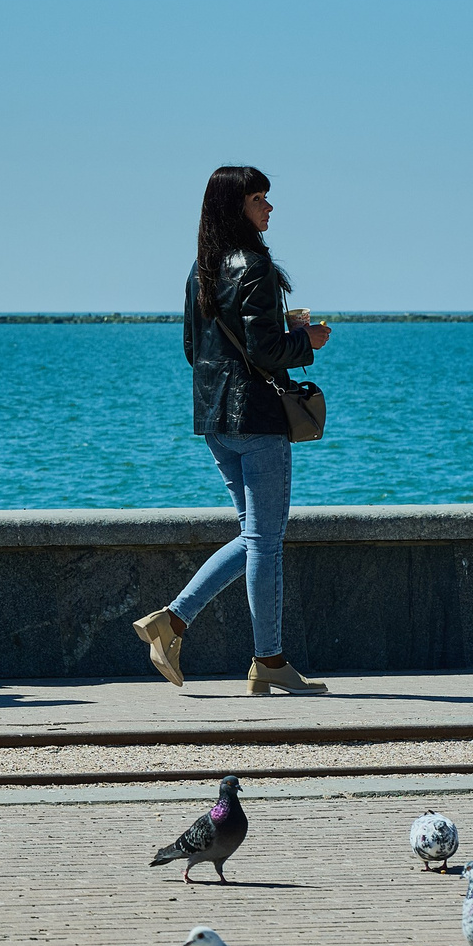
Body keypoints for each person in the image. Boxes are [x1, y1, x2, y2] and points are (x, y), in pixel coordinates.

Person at [132, 165, 333, 695]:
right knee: (266, 543)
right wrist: (307, 340)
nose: (269, 209)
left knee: (254, 537)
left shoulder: (200, 269)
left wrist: (279, 336)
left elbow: (193, 351)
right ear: (234, 207)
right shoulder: (256, 266)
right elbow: (265, 351)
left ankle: (171, 624)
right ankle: (267, 660)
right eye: (259, 199)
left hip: (214, 419)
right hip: (258, 419)